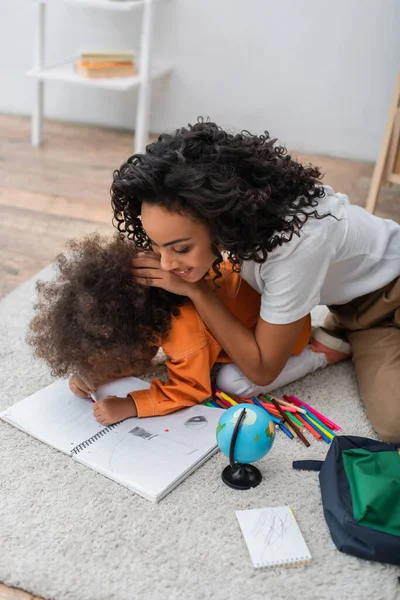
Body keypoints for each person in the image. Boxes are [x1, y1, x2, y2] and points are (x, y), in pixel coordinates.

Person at [110, 120, 400, 442]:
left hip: (392, 294)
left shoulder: (295, 244)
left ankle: (333, 344)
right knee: (233, 378)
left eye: (180, 248)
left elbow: (263, 369)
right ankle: (338, 339)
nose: (165, 263)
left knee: (395, 424)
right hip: (353, 311)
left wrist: (197, 290)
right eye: (155, 245)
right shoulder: (244, 220)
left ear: (220, 219)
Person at [27, 233, 313, 426]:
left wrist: (131, 406)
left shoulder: (183, 327)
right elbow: (137, 350)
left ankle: (321, 353)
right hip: (243, 311)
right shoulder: (145, 301)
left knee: (230, 382)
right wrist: (96, 373)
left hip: (278, 333)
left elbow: (192, 389)